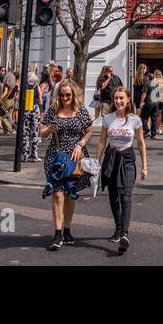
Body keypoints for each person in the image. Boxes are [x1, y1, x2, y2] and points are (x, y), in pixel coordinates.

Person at [39, 80, 95, 251]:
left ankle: (67, 230)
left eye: (68, 95)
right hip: (56, 158)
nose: (65, 98)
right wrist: (49, 130)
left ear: (74, 94)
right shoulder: (53, 110)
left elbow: (90, 131)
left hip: (74, 157)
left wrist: (80, 144)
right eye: (62, 95)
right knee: (57, 194)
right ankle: (57, 234)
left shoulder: (81, 111)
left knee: (70, 194)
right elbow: (42, 132)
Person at [96, 85, 147, 254]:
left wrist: (145, 166)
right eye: (116, 98)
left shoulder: (135, 120)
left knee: (125, 196)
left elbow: (141, 143)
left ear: (128, 100)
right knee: (113, 196)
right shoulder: (108, 118)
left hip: (127, 159)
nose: (118, 101)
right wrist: (96, 162)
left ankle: (125, 234)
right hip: (111, 158)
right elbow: (102, 141)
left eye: (121, 98)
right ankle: (118, 228)